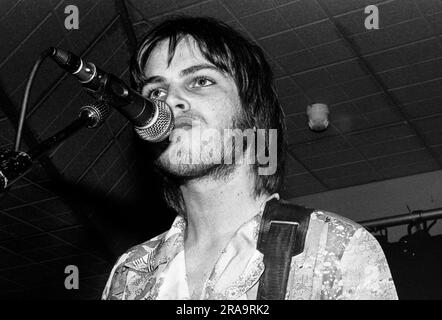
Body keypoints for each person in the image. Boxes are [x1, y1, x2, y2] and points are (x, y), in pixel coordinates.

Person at [102, 16, 398, 300]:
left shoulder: (331, 247)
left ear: (253, 112)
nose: (168, 101)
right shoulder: (130, 274)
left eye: (201, 81)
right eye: (155, 92)